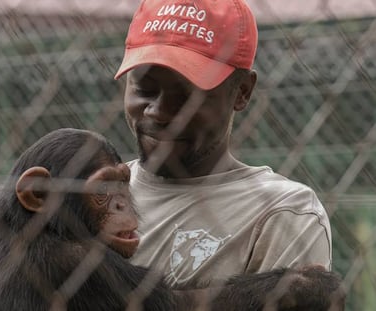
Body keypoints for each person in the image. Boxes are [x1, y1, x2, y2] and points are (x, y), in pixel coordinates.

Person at [114, 0, 332, 288]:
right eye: (145, 88)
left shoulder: (281, 212)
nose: (159, 111)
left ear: (242, 92)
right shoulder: (94, 194)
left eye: (186, 95)